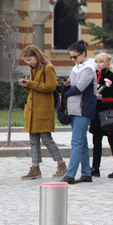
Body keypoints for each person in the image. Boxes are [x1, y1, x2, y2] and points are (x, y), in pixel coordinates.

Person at [18, 45, 66, 180]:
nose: (28, 62)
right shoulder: (34, 69)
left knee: (46, 138)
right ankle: (35, 167)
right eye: (26, 60)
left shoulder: (48, 68)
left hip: (43, 109)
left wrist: (31, 84)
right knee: (33, 140)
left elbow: (51, 87)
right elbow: (35, 89)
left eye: (30, 59)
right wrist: (26, 86)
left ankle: (61, 164)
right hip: (33, 109)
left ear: (37, 56)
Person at [61, 40, 97, 184]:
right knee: (82, 143)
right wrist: (66, 86)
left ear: (83, 54)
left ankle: (70, 174)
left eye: (75, 57)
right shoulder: (77, 67)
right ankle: (86, 173)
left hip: (83, 108)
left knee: (76, 142)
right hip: (75, 108)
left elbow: (79, 88)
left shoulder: (88, 69)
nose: (73, 60)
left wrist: (66, 91)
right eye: (71, 57)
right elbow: (72, 84)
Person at [90, 52, 113, 178]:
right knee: (96, 141)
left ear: (107, 63)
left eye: (101, 62)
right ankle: (95, 168)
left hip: (109, 113)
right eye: (97, 62)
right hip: (96, 113)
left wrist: (103, 98)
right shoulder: (93, 76)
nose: (98, 65)